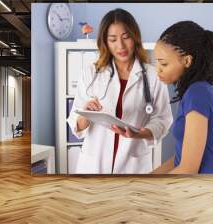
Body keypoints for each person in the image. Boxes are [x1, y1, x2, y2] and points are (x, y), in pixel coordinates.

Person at [67, 8, 173, 174]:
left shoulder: (153, 75)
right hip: (94, 165)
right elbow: (76, 121)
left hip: (133, 165)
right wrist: (85, 114)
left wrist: (141, 134)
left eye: (126, 37)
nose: (120, 46)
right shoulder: (90, 73)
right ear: (105, 42)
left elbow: (163, 119)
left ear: (135, 37)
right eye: (113, 39)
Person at [152, 21, 213, 174]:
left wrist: (153, 189)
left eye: (164, 64)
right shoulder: (194, 92)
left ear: (187, 61)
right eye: (157, 62)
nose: (157, 70)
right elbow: (181, 157)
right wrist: (150, 178)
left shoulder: (198, 93)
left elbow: (188, 168)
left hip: (205, 189)